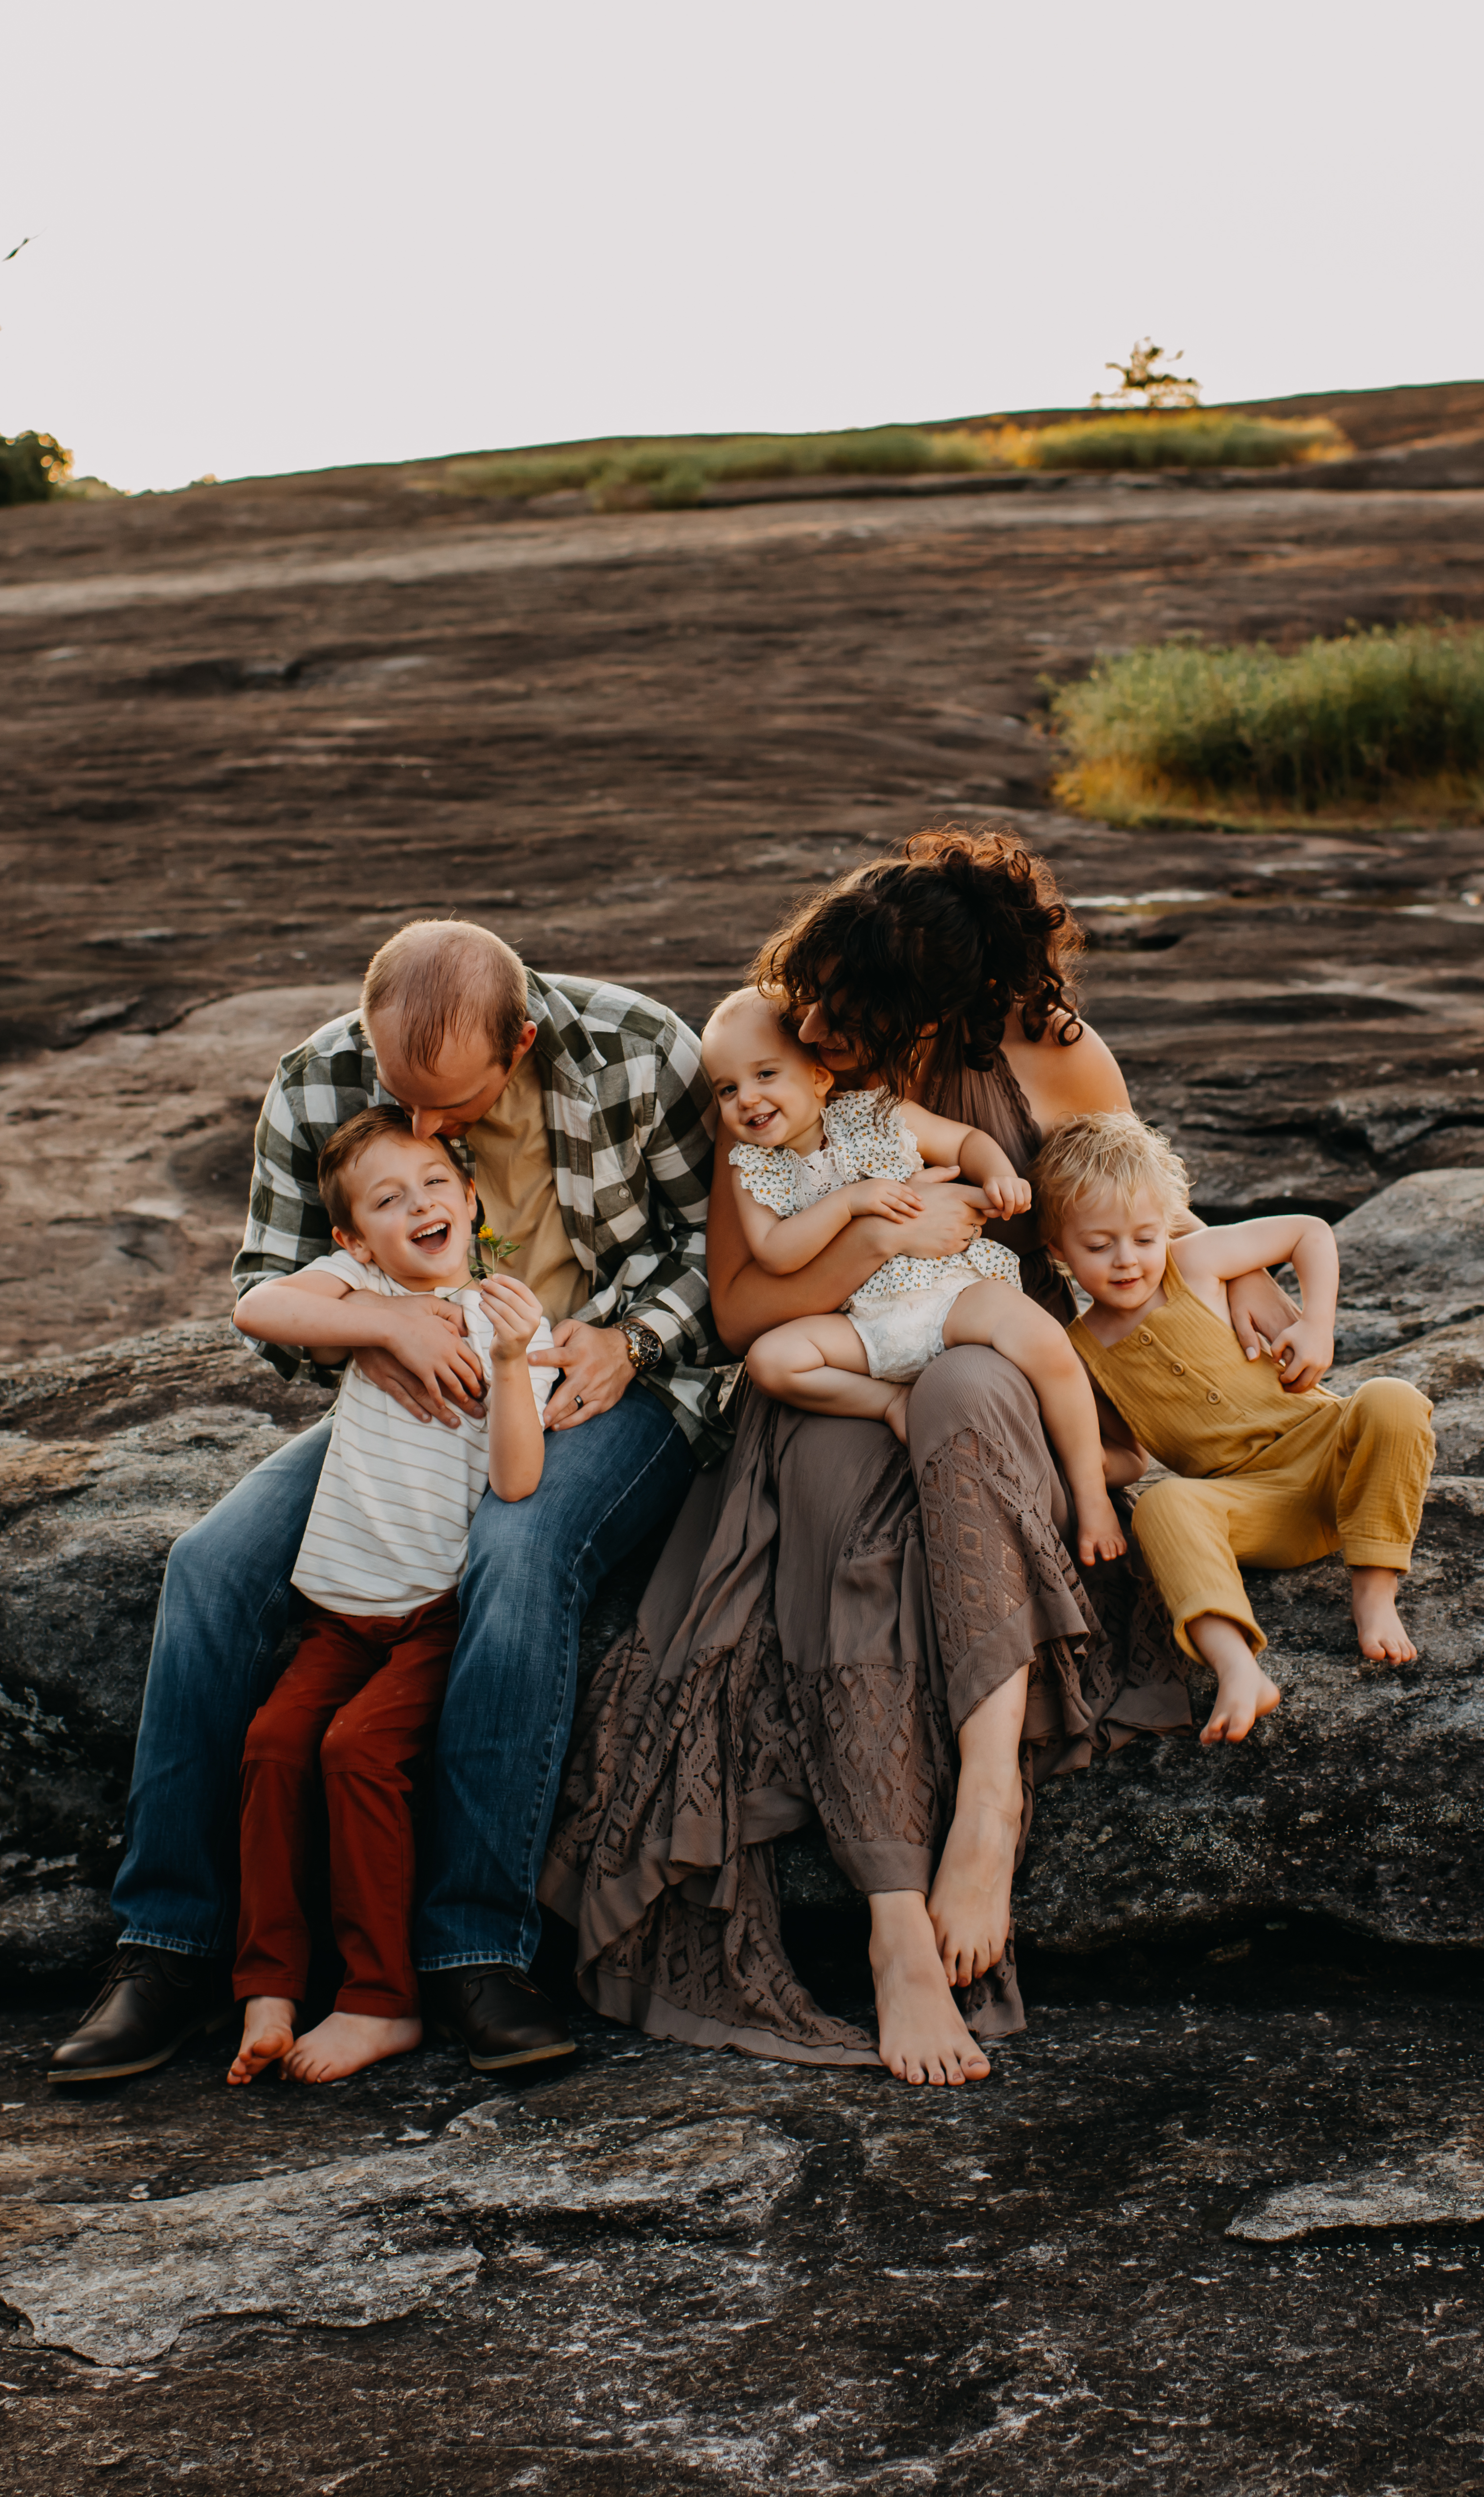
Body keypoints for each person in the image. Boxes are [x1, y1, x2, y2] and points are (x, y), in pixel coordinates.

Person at [547, 828, 1294, 2086]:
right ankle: (897, 1922)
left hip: (990, 1348)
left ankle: (989, 1801)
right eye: (818, 996)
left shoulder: (1048, 1055)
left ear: (933, 1002)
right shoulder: (778, 1073)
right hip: (834, 1365)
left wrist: (1247, 1271)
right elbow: (741, 1313)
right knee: (839, 1514)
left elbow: (1131, 1196)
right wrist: (893, 1229)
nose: (823, 1024)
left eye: (853, 1008)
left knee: (962, 1388)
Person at [50, 921, 716, 2084]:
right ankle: (167, 1945)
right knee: (210, 1562)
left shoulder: (641, 1049)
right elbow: (267, 1282)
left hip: (602, 1379)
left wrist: (632, 1338)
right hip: (412, 1388)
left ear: (519, 1041)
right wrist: (384, 1325)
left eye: (453, 1110)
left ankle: (470, 1954)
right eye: (406, 1100)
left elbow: (721, 1241)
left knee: (519, 1547)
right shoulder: (321, 1075)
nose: (429, 1132)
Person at [224, 1109, 555, 2083]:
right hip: (343, 1610)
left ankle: (381, 1998)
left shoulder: (507, 1317)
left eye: (435, 1184)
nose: (419, 1205)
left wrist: (505, 1363)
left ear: (471, 1200)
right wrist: (386, 1320)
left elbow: (519, 1482)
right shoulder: (359, 1288)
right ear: (353, 1238)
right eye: (387, 1198)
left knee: (358, 1750)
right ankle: (268, 1981)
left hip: (433, 1617)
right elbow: (259, 1310)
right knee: (274, 1744)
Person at [1039, 1111, 1434, 1746]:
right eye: (1098, 1245)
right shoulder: (1078, 1354)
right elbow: (1130, 1459)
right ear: (1057, 1248)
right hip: (1254, 1509)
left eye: (1144, 1238)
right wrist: (1067, 1464)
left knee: (1394, 1399)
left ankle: (1373, 1587)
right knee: (1161, 1503)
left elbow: (1309, 1233)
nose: (1126, 1261)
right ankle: (1237, 1666)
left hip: (1338, 1463)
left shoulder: (1193, 1264)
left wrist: (1317, 1325)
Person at [701, 986, 1125, 1567]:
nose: (747, 1098)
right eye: (727, 1089)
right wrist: (851, 1203)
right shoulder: (752, 1167)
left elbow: (967, 1141)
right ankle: (887, 1404)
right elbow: (775, 1253)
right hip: (863, 1324)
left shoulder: (879, 1113)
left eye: (767, 1075)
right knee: (772, 1361)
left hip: (945, 1294)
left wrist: (999, 1174)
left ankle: (1094, 1493)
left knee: (1045, 1342)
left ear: (821, 1078)